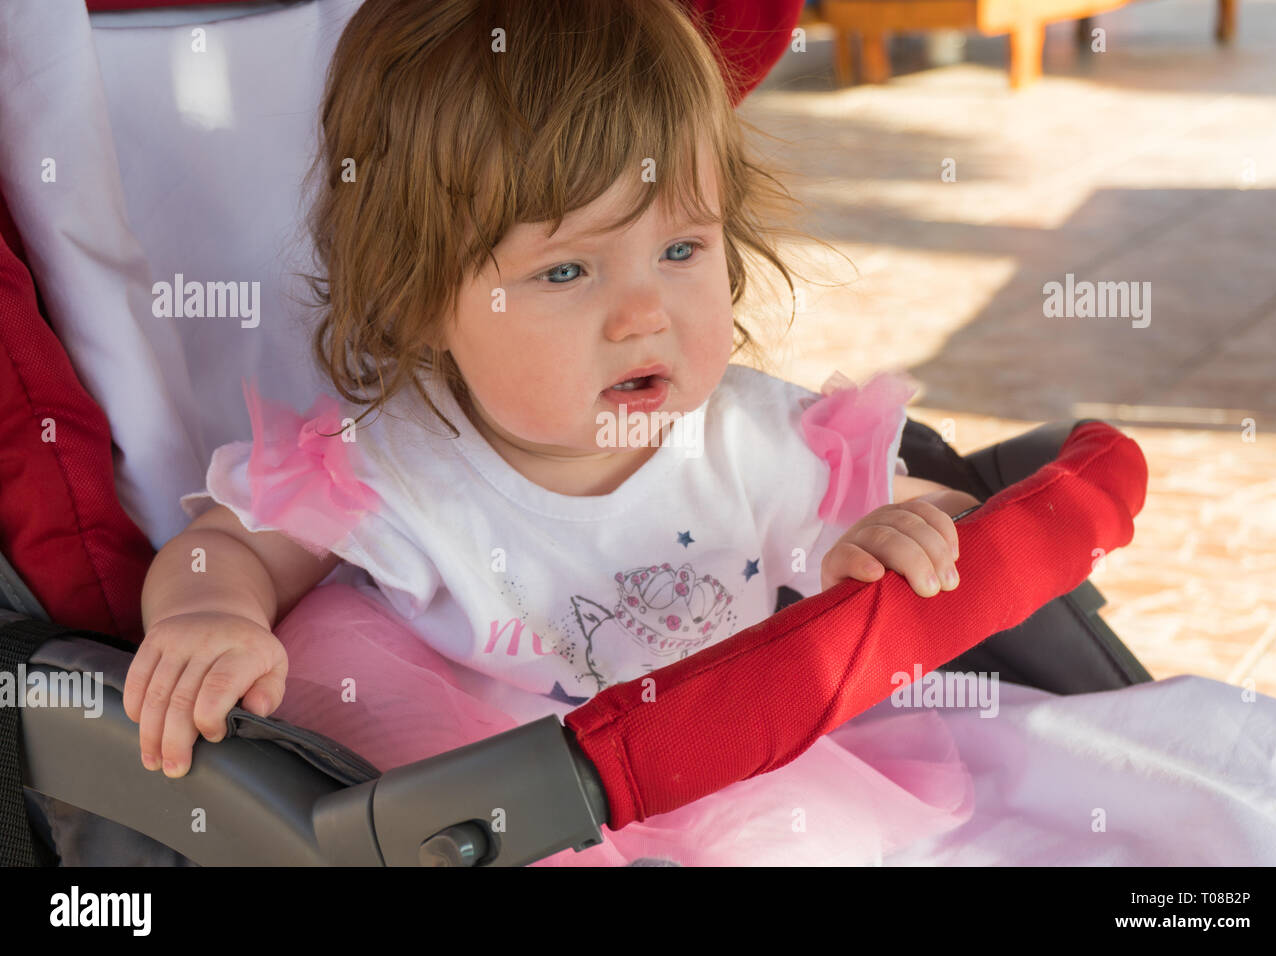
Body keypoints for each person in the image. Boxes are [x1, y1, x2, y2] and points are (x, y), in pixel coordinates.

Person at [126, 0, 981, 865]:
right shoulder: (399, 461)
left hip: (713, 771)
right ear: (419, 302)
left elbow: (955, 520)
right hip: (480, 785)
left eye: (682, 250)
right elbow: (230, 546)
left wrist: (901, 533)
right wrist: (209, 617)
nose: (644, 314)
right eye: (566, 270)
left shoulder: (757, 440)